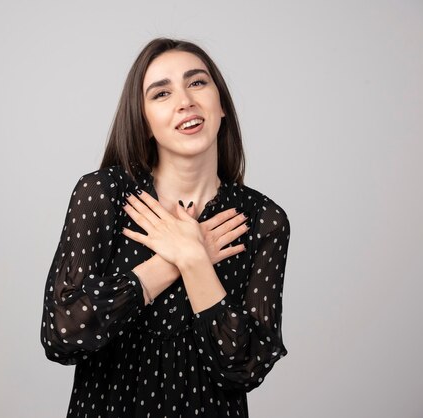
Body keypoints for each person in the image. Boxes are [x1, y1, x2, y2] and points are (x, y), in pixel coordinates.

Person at [40, 37, 290, 417]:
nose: (185, 100)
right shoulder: (104, 195)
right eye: (161, 93)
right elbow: (62, 333)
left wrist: (193, 261)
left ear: (221, 105)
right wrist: (170, 262)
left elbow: (244, 367)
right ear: (143, 122)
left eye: (197, 83)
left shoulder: (262, 220)